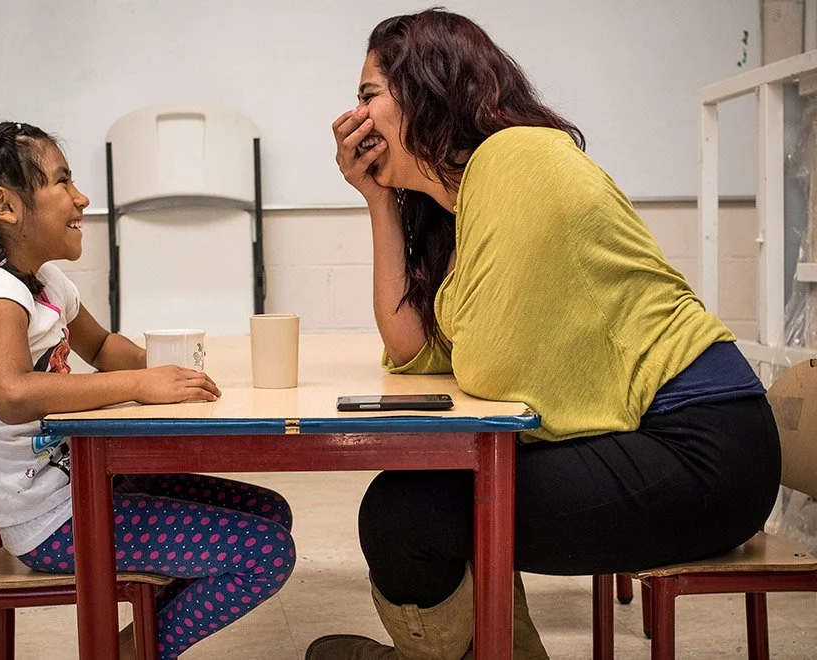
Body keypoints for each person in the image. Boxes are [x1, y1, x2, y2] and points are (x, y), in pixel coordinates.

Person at [306, 9, 780, 660]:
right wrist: (378, 202)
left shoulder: (514, 157)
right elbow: (416, 351)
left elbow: (489, 369)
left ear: (426, 85)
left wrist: (459, 339)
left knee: (409, 514)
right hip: (664, 439)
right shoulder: (466, 201)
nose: (353, 117)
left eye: (367, 96)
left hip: (702, 448)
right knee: (415, 501)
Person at [0, 120, 296, 659]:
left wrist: (176, 371)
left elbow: (101, 347)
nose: (81, 198)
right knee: (264, 553)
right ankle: (128, 652)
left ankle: (133, 641)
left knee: (270, 513)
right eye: (61, 182)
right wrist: (140, 385)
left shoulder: (43, 282)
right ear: (5, 207)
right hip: (51, 521)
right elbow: (10, 394)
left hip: (83, 486)